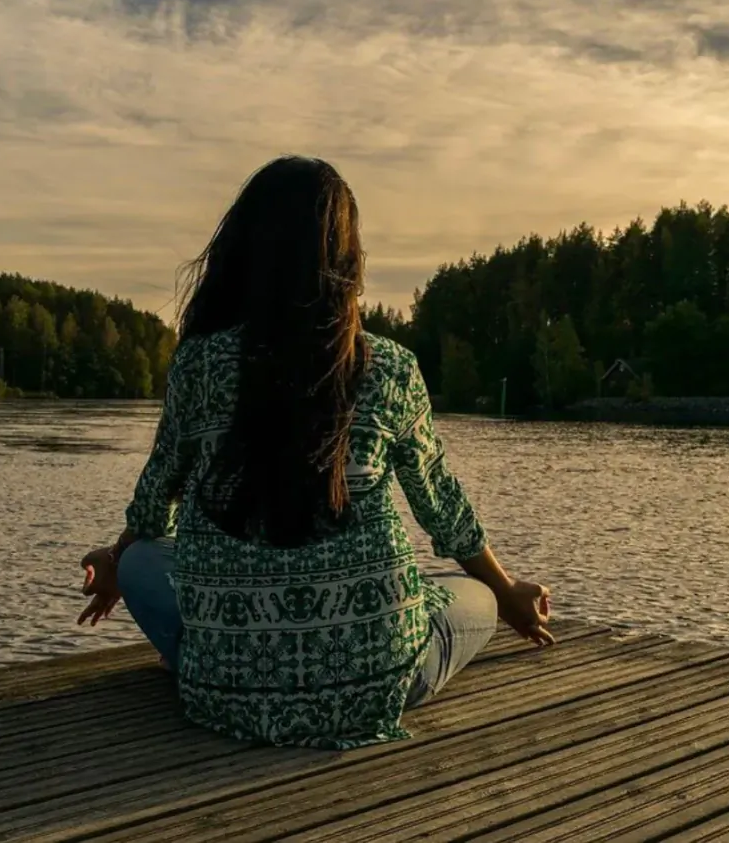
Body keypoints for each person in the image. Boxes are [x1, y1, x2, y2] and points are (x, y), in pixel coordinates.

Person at [77, 155, 553, 750]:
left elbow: (154, 502)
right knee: (474, 595)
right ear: (347, 260)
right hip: (376, 684)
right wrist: (507, 593)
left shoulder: (198, 364)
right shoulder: (390, 367)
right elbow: (442, 509)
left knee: (145, 559)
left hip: (224, 694)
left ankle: (224, 658)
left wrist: (119, 559)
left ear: (244, 251)